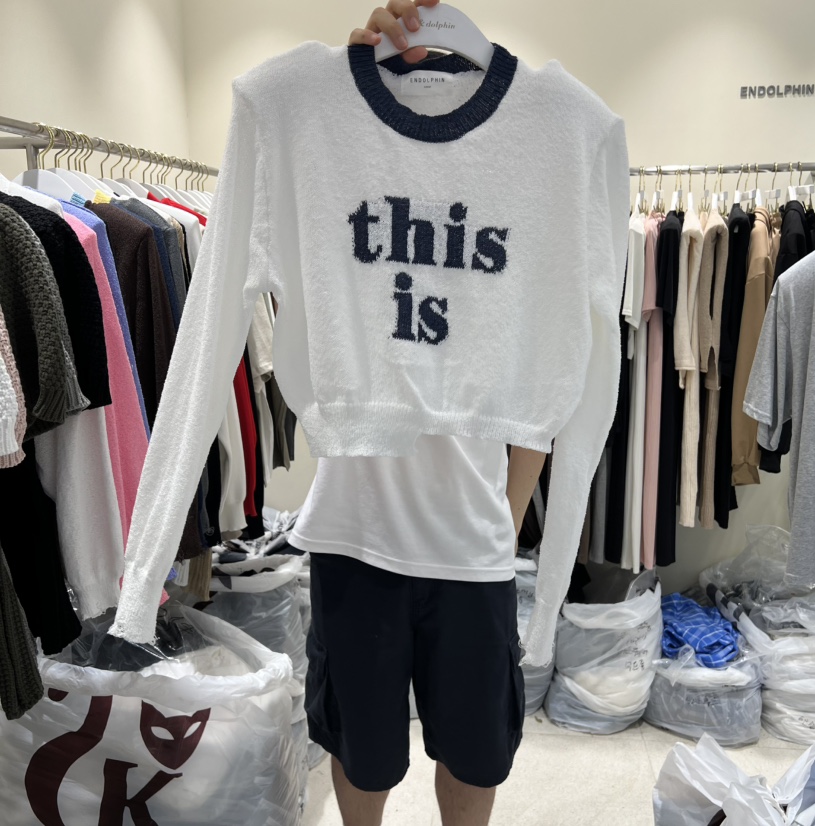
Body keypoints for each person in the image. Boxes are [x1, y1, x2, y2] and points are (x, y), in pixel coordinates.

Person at [289, 4, 548, 824]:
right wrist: (343, 86)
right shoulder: (340, 151)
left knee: (476, 750)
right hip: (355, 531)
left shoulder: (518, 169)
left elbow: (544, 381)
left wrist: (505, 520)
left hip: (470, 540)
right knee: (362, 748)